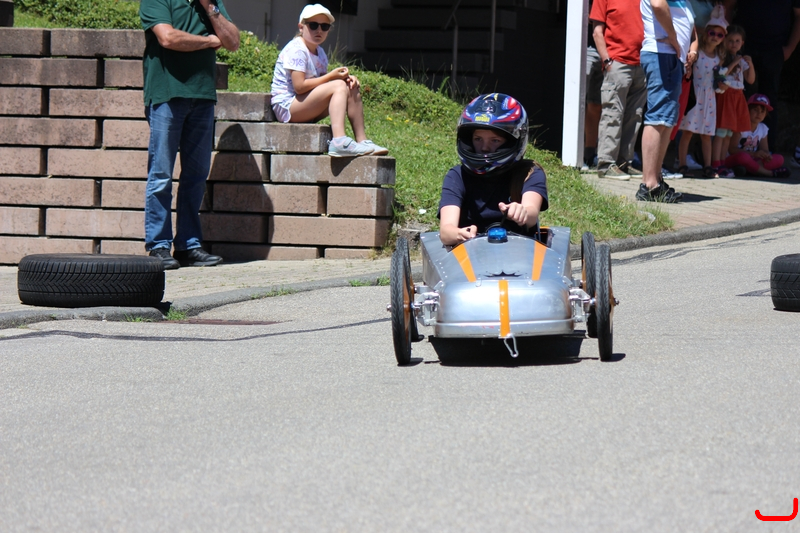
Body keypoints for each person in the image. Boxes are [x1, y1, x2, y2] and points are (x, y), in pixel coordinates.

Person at [139, 0, 239, 269]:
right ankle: (159, 246)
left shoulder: (210, 3)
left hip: (203, 96)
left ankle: (188, 245)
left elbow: (232, 42)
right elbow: (168, 38)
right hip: (166, 95)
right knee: (161, 175)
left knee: (196, 176)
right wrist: (208, 41)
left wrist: (210, 8)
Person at [271, 4, 387, 158]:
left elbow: (322, 85)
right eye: (313, 25)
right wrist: (332, 77)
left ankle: (363, 141)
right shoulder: (297, 50)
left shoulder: (320, 52)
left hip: (303, 104)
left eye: (324, 26)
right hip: (287, 107)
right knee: (338, 86)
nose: (319, 30)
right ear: (301, 27)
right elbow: (299, 87)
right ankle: (339, 141)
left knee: (349, 86)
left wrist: (345, 79)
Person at [438, 94, 548, 246]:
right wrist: (459, 234)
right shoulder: (457, 177)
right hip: (469, 252)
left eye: (495, 140)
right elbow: (446, 231)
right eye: (478, 139)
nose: (484, 148)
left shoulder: (529, 173)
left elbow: (532, 212)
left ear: (514, 141)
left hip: (520, 252)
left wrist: (522, 211)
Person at [637, 0, 696, 202]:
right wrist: (673, 37)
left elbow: (692, 31)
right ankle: (649, 185)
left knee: (666, 120)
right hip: (662, 54)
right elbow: (657, 4)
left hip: (671, 57)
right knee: (658, 118)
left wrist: (689, 50)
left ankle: (655, 180)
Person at [735, 0, 800, 160]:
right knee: (739, 96)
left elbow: (799, 15)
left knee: (769, 100)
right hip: (743, 46)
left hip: (774, 49)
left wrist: (789, 49)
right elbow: (729, 5)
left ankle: (767, 152)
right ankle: (734, 149)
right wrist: (729, 44)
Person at [591, 0, 647, 181]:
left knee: (634, 116)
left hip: (642, 64)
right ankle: (606, 164)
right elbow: (597, 31)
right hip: (618, 63)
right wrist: (607, 60)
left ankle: (624, 163)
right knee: (613, 114)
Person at [676, 5, 728, 178]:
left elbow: (718, 78)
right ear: (706, 33)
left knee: (706, 134)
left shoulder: (719, 57)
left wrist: (722, 85)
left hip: (709, 99)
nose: (715, 37)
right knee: (688, 131)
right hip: (695, 95)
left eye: (720, 35)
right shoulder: (697, 53)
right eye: (712, 33)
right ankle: (682, 164)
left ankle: (708, 166)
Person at [711, 25, 754, 171]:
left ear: (742, 43)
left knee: (729, 133)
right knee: (721, 131)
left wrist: (750, 64)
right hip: (726, 95)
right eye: (730, 40)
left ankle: (723, 162)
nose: (734, 44)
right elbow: (721, 74)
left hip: (738, 96)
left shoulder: (742, 60)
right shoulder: (722, 57)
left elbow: (750, 80)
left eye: (737, 41)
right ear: (725, 41)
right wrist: (734, 62)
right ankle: (716, 163)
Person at [724, 94, 791, 177]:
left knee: (780, 158)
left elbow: (765, 149)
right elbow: (732, 149)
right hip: (735, 158)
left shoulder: (763, 128)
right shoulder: (740, 126)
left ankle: (748, 169)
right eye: (755, 110)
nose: (759, 114)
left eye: (762, 111)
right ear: (747, 110)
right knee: (743, 157)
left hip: (753, 159)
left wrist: (767, 155)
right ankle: (769, 173)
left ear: (765, 114)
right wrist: (753, 154)